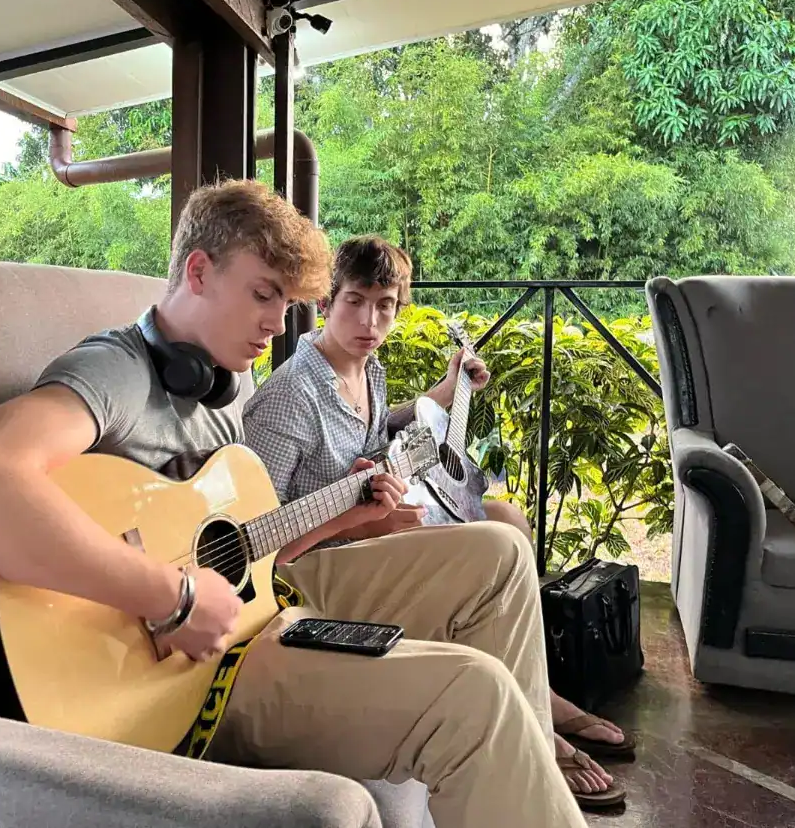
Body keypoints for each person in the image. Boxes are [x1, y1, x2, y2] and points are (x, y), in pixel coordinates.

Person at [0, 181, 586, 828]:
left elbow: (247, 553)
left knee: (498, 553)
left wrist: (346, 515)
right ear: (200, 271)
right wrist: (170, 596)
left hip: (261, 609)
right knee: (475, 694)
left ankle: (534, 754)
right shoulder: (118, 371)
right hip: (193, 675)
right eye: (264, 295)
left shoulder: (217, 387)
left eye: (288, 301)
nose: (277, 323)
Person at [242, 235, 632, 811]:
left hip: (363, 539)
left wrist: (451, 390)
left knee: (504, 522)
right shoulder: (288, 398)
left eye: (385, 306)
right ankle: (536, 724)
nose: (368, 321)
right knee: (497, 546)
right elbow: (255, 540)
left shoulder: (366, 372)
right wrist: (357, 525)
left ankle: (535, 710)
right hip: (303, 574)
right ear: (325, 302)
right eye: (354, 302)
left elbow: (386, 443)